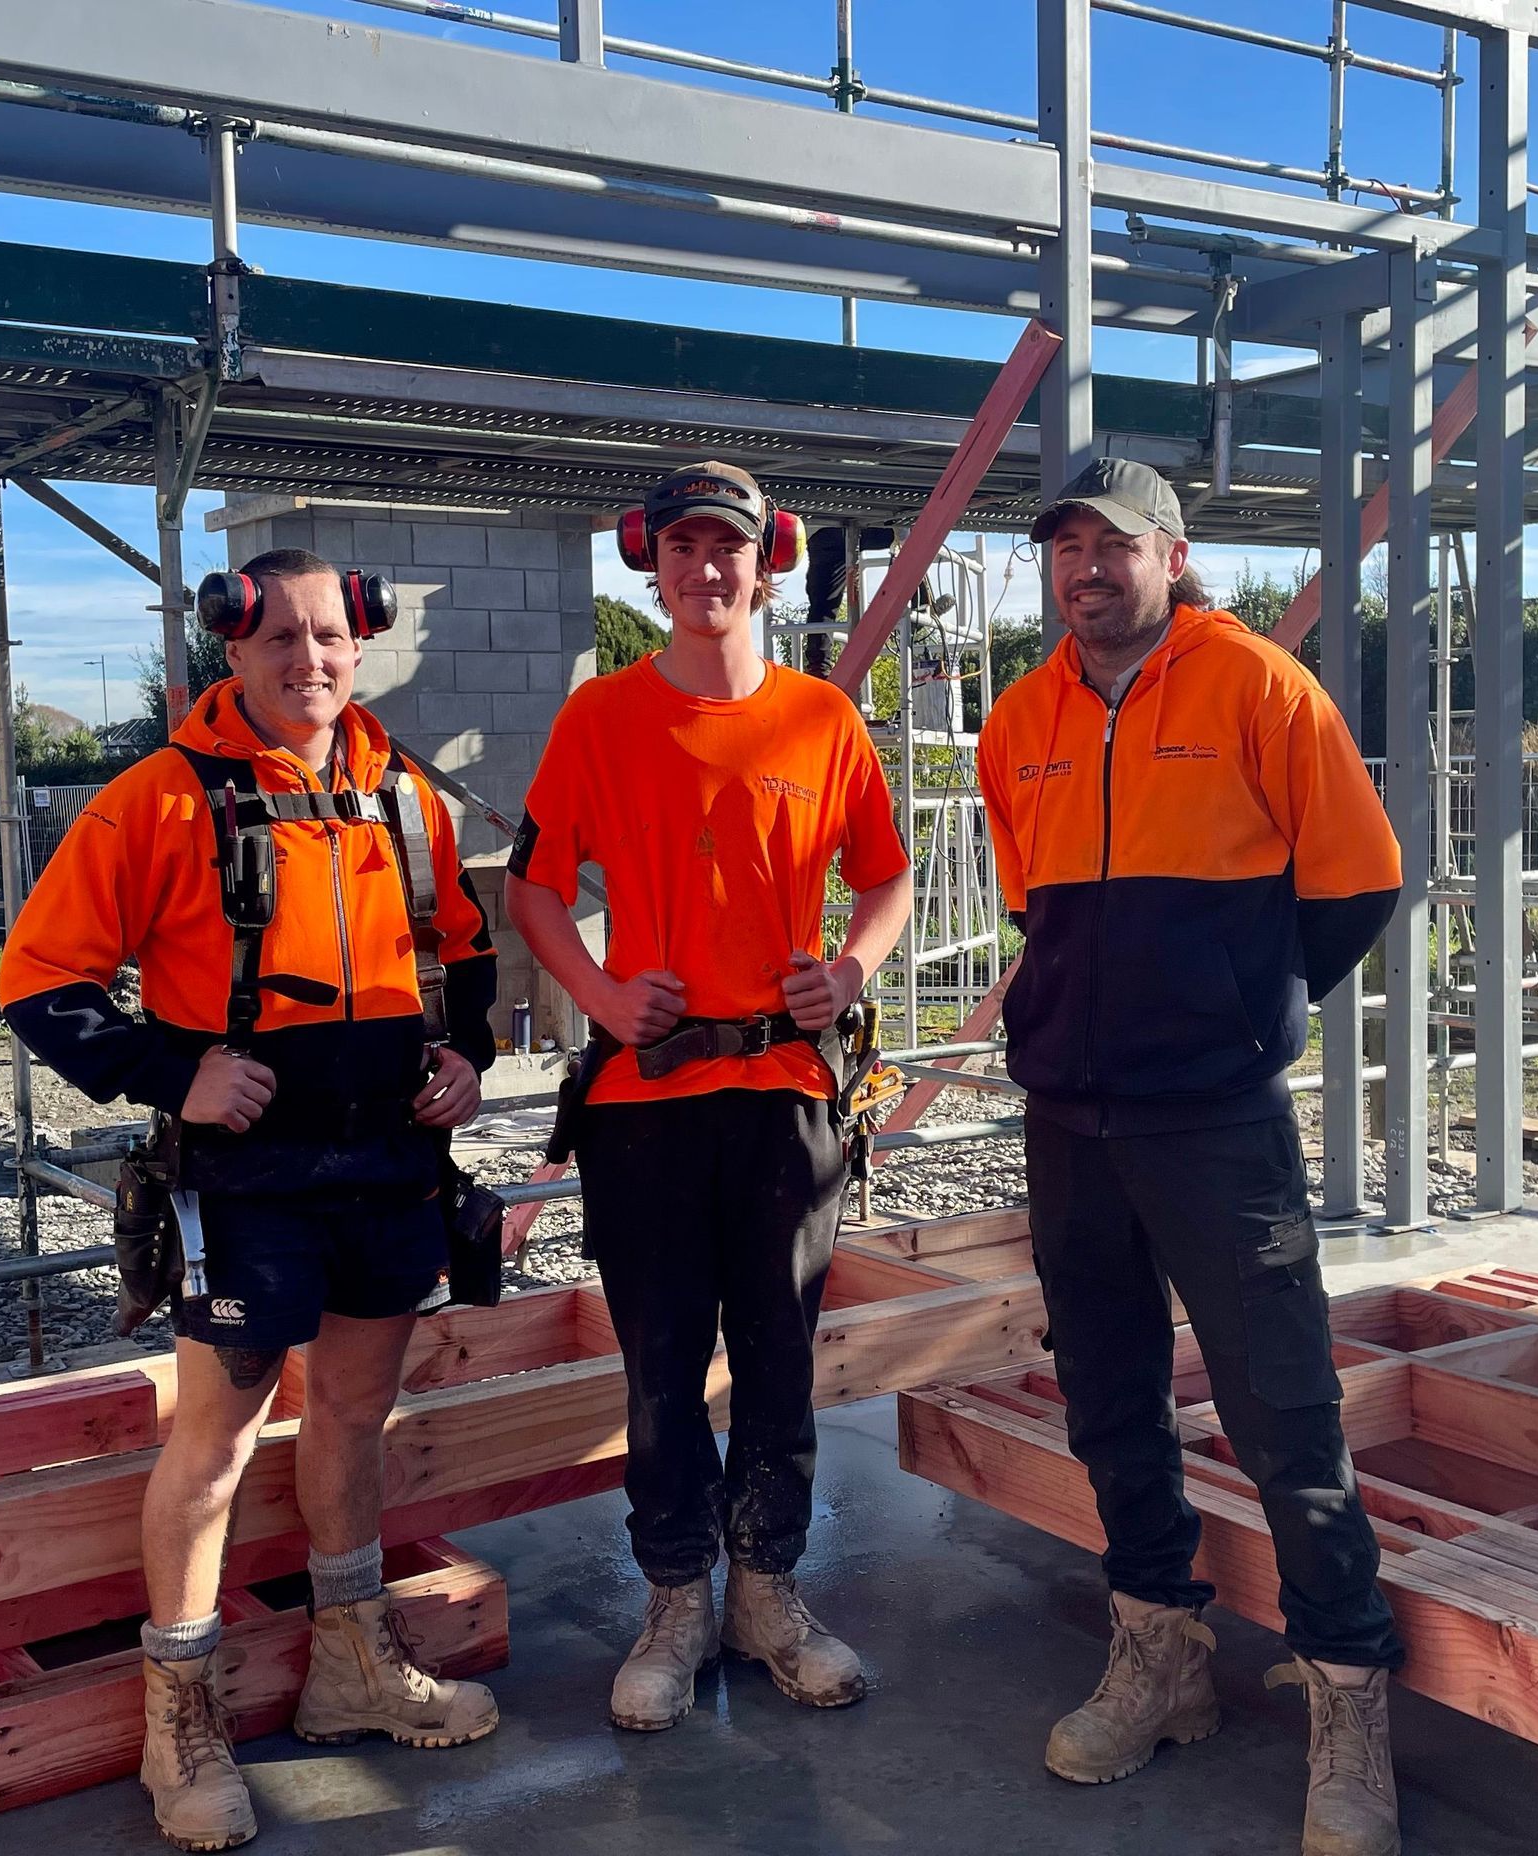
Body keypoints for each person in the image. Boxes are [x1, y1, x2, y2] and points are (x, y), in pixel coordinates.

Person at [0, 549, 503, 1851]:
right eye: (277, 637)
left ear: (361, 641)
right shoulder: (159, 803)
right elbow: (41, 982)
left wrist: (466, 1057)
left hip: (391, 1166)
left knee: (352, 1413)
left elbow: (466, 945)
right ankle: (183, 1716)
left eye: (330, 637)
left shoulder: (403, 793)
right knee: (213, 1446)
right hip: (247, 1182)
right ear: (231, 644)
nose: (308, 660)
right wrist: (174, 1072)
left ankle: (353, 1664)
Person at [978, 458, 1406, 1856]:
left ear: (1172, 554)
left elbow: (1359, 883)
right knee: (1107, 1397)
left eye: (1113, 545)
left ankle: (1349, 1703)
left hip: (1215, 1121)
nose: (1087, 570)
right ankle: (1160, 1653)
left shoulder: (1261, 689)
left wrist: (1235, 1015)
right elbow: (1033, 909)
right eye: (1066, 550)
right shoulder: (1022, 719)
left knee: (1286, 1411)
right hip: (1070, 1120)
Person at [503, 461, 913, 1733]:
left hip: (786, 1091)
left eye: (726, 548)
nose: (705, 570)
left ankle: (768, 1592)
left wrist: (848, 967)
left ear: (768, 557)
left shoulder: (822, 719)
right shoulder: (600, 719)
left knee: (782, 1355)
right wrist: (602, 995)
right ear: (653, 562)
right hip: (647, 1096)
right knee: (662, 1358)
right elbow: (531, 887)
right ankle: (677, 1596)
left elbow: (886, 877)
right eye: (681, 549)